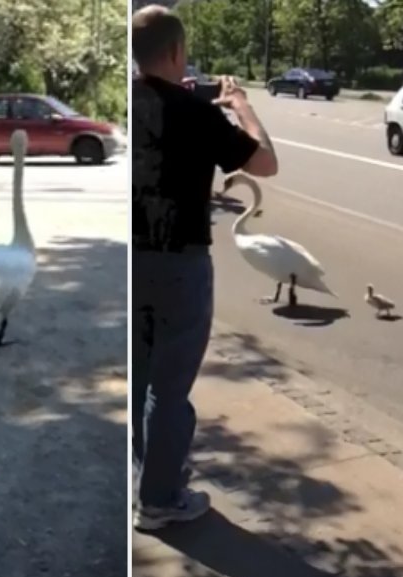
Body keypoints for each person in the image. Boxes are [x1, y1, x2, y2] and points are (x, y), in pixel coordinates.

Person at [129, 4, 279, 531]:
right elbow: (265, 162)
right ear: (175, 51)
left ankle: (149, 473)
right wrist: (240, 105)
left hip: (133, 259)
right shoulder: (200, 113)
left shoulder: (128, 102)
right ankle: (160, 500)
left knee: (141, 373)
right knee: (169, 390)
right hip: (180, 262)